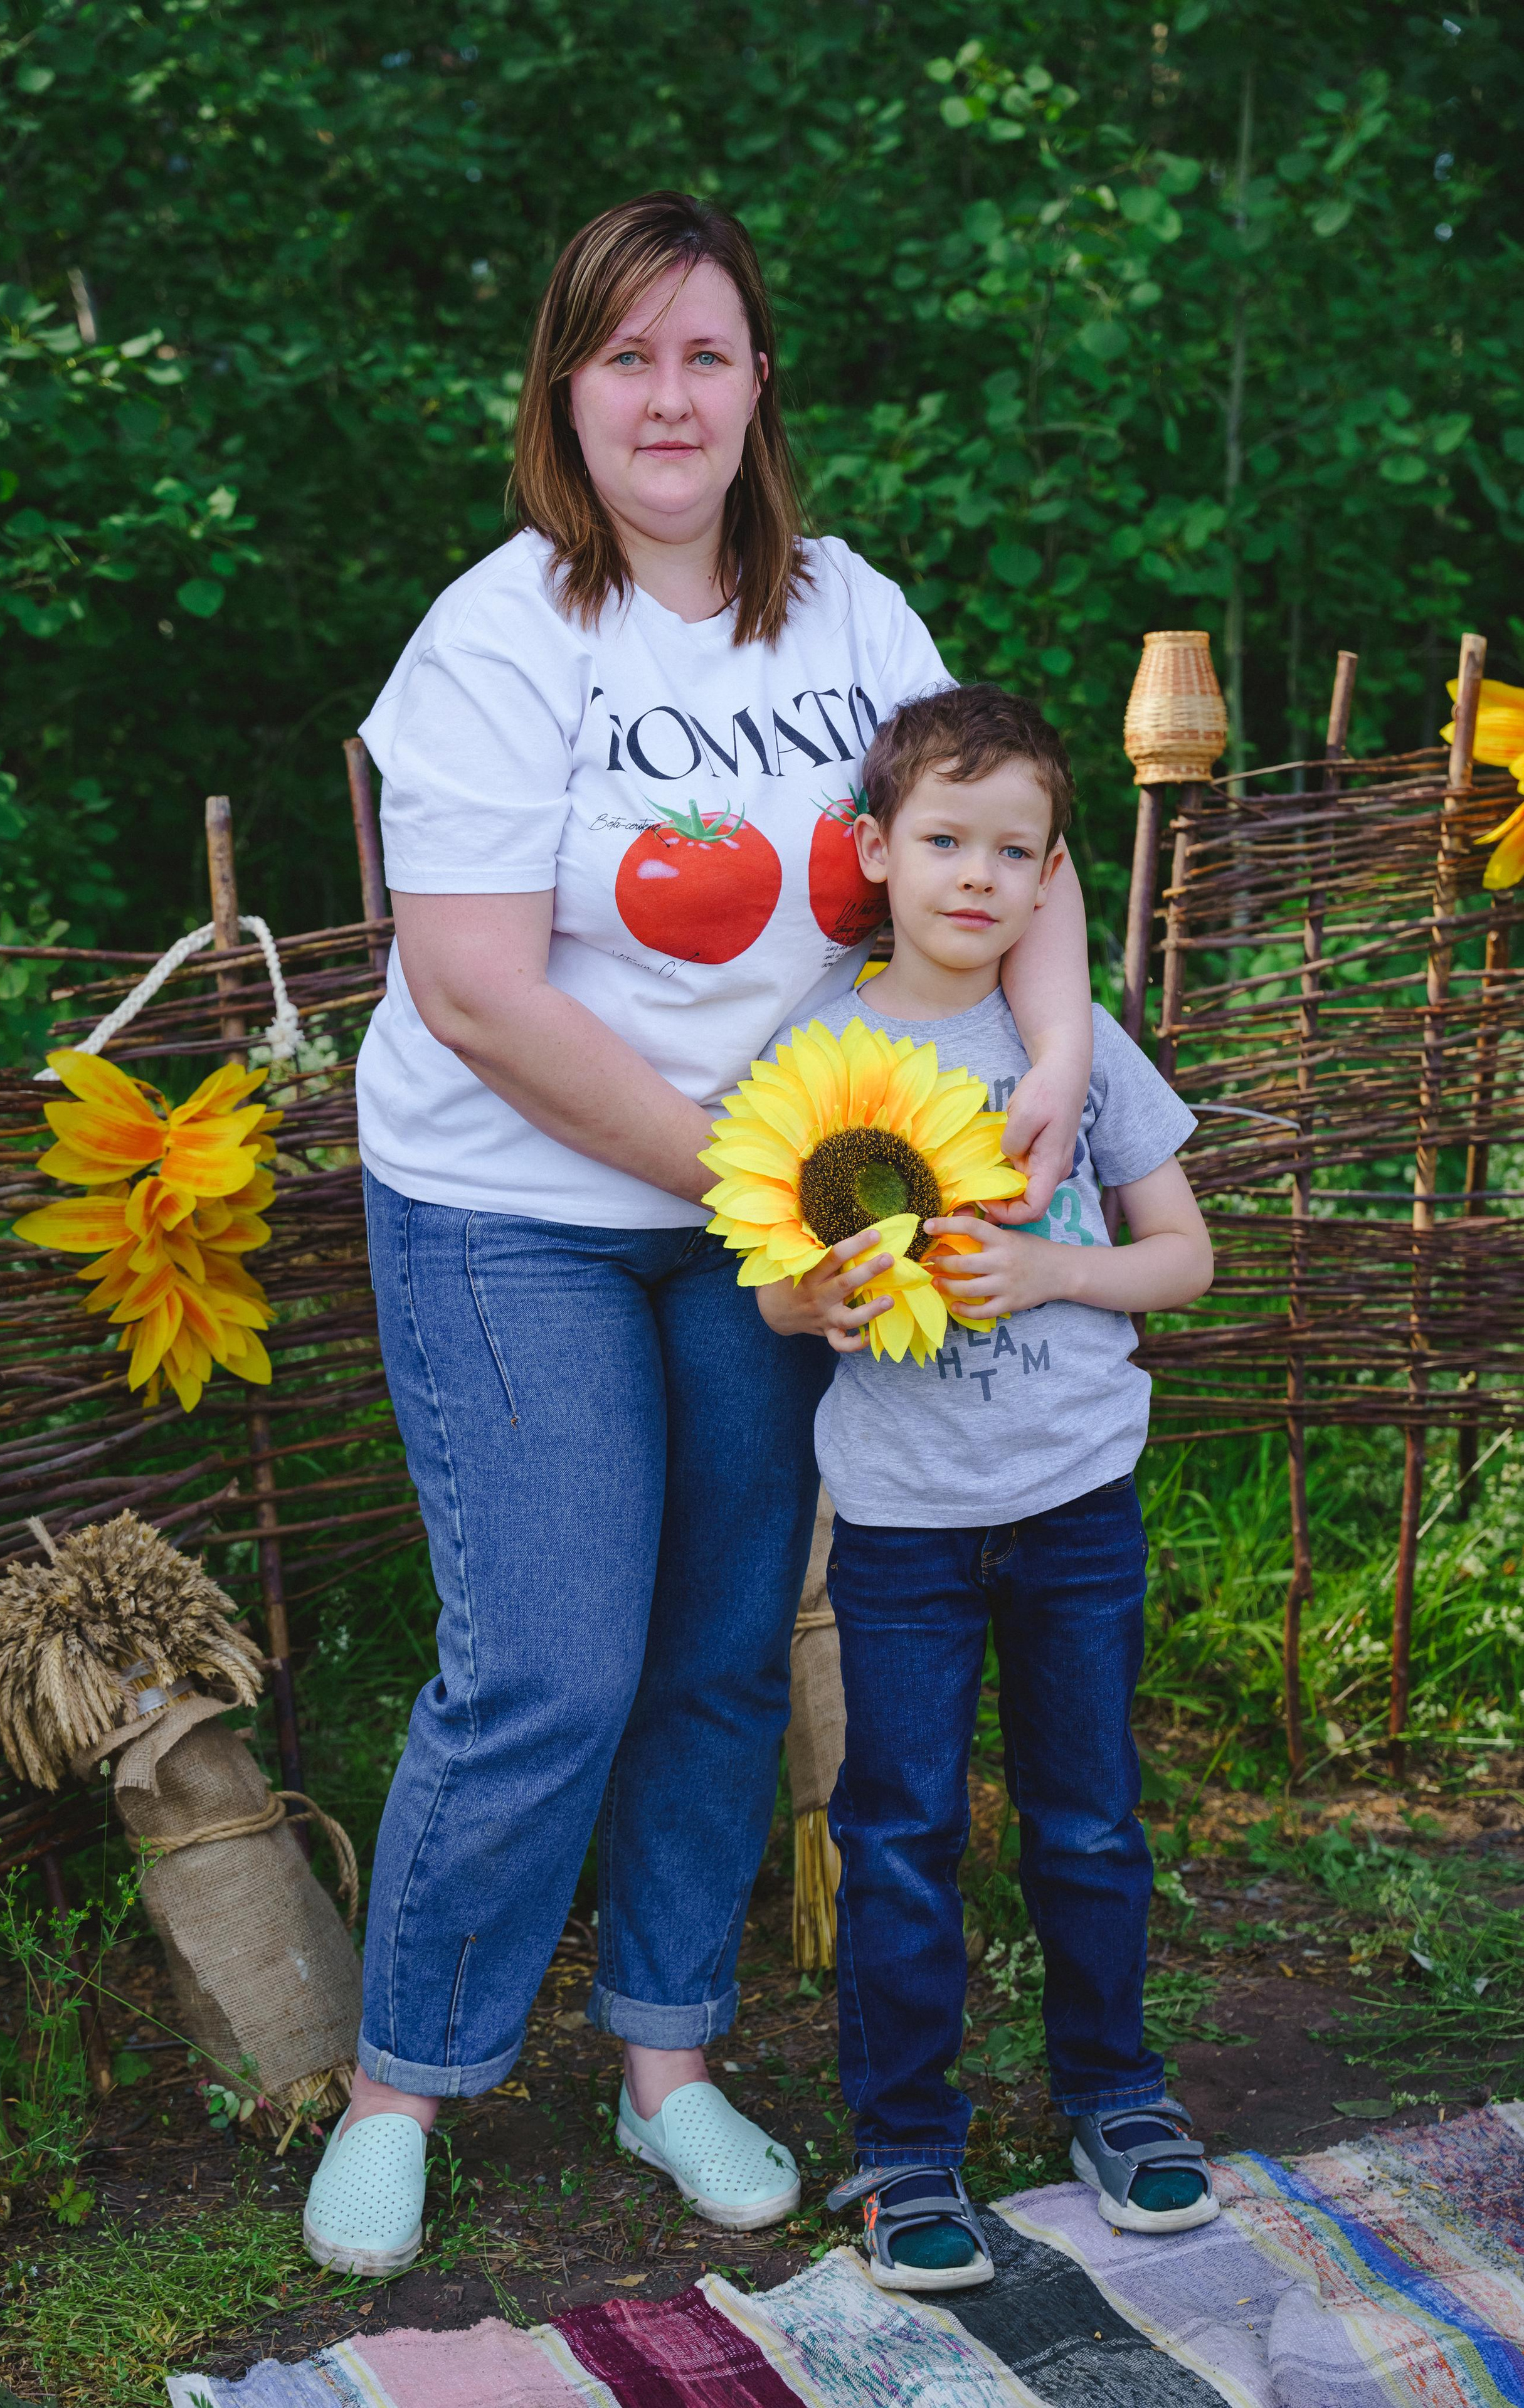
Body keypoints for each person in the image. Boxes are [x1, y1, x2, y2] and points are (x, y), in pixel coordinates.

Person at [301, 193, 1097, 2278]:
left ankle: (667, 2065)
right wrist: (767, 1181)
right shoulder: (498, 636)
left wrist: (1060, 1051)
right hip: (521, 1211)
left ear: (759, 390)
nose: (669, 394)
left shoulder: (847, 614)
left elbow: (1019, 826)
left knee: (729, 1647)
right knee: (550, 1655)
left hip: (777, 1224)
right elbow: (475, 985)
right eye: (627, 355)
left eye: (707, 353)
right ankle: (409, 2079)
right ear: (569, 389)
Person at [755, 682, 1217, 2293]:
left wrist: (1047, 1270)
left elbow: (1183, 1259)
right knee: (897, 1830)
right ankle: (902, 2150)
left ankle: (1117, 2097)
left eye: (1011, 850)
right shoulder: (818, 1052)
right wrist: (812, 1298)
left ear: (1046, 882)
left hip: (1076, 1503)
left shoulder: (1073, 1058)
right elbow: (767, 1285)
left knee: (1087, 1820)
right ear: (874, 850)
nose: (974, 874)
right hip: (898, 1526)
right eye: (942, 839)